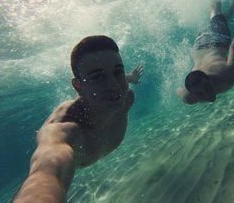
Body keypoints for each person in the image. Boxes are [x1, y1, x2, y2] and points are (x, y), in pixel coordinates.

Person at [12, 35, 143, 203]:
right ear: (78, 86)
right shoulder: (65, 130)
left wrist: (130, 77)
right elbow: (47, 174)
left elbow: (120, 82)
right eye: (97, 77)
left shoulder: (126, 98)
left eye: (117, 71)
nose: (114, 86)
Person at [177, 0, 234, 104]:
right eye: (199, 94)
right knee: (219, 19)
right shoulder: (189, 96)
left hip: (217, 39)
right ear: (192, 93)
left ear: (209, 79)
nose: (207, 95)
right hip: (198, 44)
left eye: (207, 87)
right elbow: (179, 90)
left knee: (215, 11)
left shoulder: (228, 75)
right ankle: (233, 6)